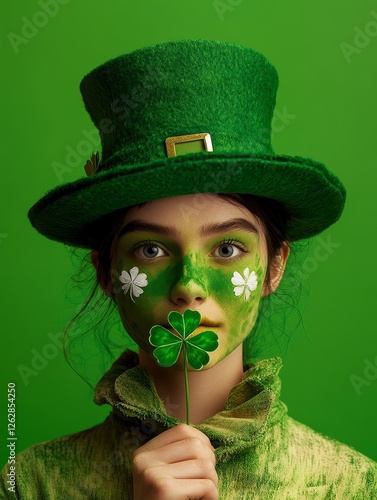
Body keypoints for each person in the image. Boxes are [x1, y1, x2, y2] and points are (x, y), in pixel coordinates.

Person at [1, 39, 376, 499]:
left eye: (228, 248)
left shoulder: (351, 485)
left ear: (274, 266)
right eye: (151, 251)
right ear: (105, 272)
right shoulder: (30, 484)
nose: (189, 287)